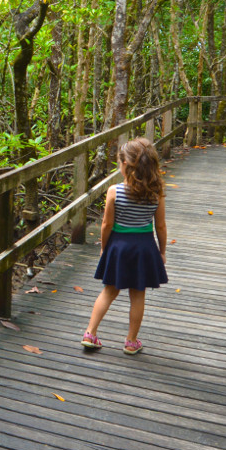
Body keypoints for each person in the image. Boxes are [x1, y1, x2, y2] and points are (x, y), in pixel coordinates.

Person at [81, 137, 167, 354]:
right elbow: (161, 226)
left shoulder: (114, 191)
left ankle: (90, 333)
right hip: (144, 247)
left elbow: (107, 224)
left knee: (109, 290)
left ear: (126, 165)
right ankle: (131, 341)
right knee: (138, 294)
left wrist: (104, 248)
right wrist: (162, 251)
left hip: (119, 245)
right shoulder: (156, 192)